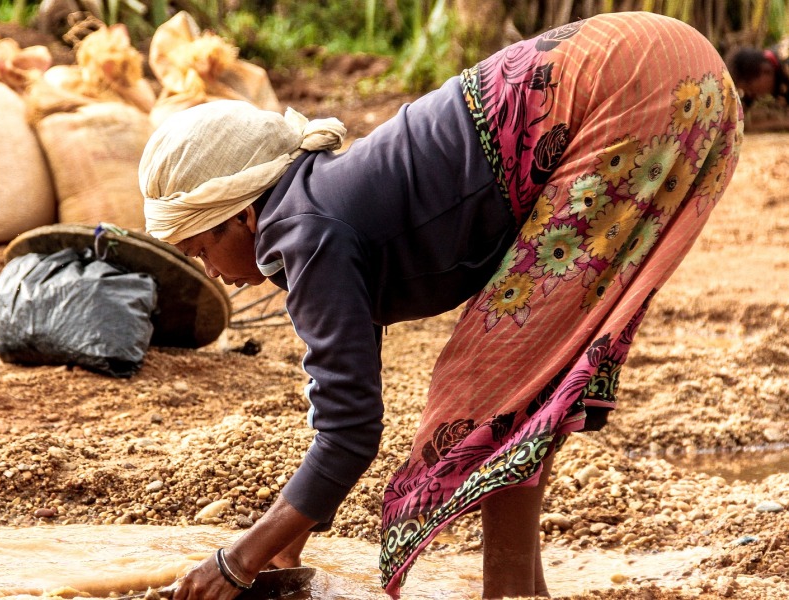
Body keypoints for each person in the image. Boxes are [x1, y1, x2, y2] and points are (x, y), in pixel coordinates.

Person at [138, 11, 742, 600]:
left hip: (627, 85)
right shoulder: (321, 204)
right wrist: (288, 538)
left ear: (244, 214)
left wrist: (236, 562)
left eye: (201, 249)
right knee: (527, 381)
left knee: (496, 381)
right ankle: (520, 591)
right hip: (663, 65)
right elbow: (340, 396)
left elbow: (351, 431)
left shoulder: (303, 232)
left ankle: (509, 593)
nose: (213, 272)